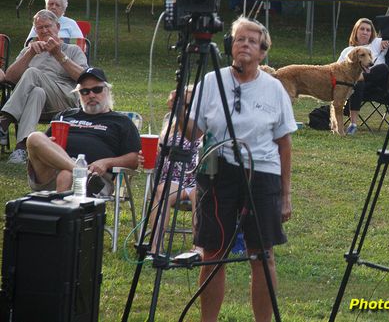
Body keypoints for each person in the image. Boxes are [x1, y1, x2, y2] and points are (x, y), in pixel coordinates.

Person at [187, 17, 296, 322]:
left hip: (261, 175)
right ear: (229, 47)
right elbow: (191, 134)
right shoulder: (211, 82)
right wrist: (182, 111)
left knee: (262, 255)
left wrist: (285, 195)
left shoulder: (274, 89)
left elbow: (284, 144)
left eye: (252, 41)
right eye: (239, 39)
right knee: (212, 253)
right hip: (218, 172)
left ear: (262, 52)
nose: (245, 44)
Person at [25, 67, 140, 193]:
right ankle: (80, 171)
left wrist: (107, 162)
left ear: (107, 91)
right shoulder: (65, 116)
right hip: (51, 173)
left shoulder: (121, 122)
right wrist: (49, 144)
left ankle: (76, 175)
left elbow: (134, 159)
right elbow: (40, 145)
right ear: (79, 94)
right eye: (85, 91)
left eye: (97, 89)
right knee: (34, 137)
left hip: (95, 179)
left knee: (66, 175)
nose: (91, 95)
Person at [0, 9, 88, 164]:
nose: (45, 30)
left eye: (48, 26)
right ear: (36, 31)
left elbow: (84, 78)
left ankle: (4, 121)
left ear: (58, 27)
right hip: (37, 102)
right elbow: (9, 78)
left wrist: (59, 55)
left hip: (64, 100)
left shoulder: (72, 50)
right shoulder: (30, 50)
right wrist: (29, 54)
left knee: (33, 72)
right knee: (37, 92)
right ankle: (21, 148)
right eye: (40, 28)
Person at [144, 86, 200, 254]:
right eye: (182, 104)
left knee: (201, 194)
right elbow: (159, 154)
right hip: (174, 178)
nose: (186, 108)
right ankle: (155, 247)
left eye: (191, 105)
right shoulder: (170, 127)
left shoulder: (207, 125)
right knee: (161, 192)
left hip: (199, 178)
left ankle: (198, 247)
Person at [338, 18, 389, 135]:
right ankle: (353, 124)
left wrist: (386, 41)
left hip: (376, 86)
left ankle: (358, 78)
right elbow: (338, 71)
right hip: (354, 87)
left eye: (368, 30)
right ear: (356, 32)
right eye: (362, 29)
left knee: (383, 68)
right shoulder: (347, 51)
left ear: (371, 33)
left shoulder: (377, 43)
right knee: (358, 82)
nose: (365, 32)